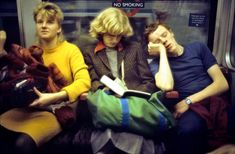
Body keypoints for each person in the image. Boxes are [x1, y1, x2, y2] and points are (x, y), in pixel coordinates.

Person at [0, 2, 91, 154]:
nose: (44, 25)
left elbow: (84, 82)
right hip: (30, 108)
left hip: (59, 110)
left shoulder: (71, 50)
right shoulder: (31, 52)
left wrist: (54, 96)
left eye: (50, 22)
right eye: (39, 21)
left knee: (23, 144)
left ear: (59, 28)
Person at [144, 22, 229, 154]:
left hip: (213, 101)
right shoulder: (157, 64)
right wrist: (162, 52)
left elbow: (222, 84)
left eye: (164, 35)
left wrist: (188, 100)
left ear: (171, 32)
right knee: (187, 130)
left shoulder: (198, 48)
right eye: (158, 42)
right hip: (192, 110)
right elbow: (167, 86)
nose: (164, 41)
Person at [82, 7, 158, 154]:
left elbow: (149, 82)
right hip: (108, 104)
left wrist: (130, 93)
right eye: (111, 35)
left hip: (133, 104)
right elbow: (93, 80)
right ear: (101, 31)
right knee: (113, 129)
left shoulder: (134, 48)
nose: (115, 40)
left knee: (130, 130)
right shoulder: (89, 52)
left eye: (119, 36)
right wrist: (104, 90)